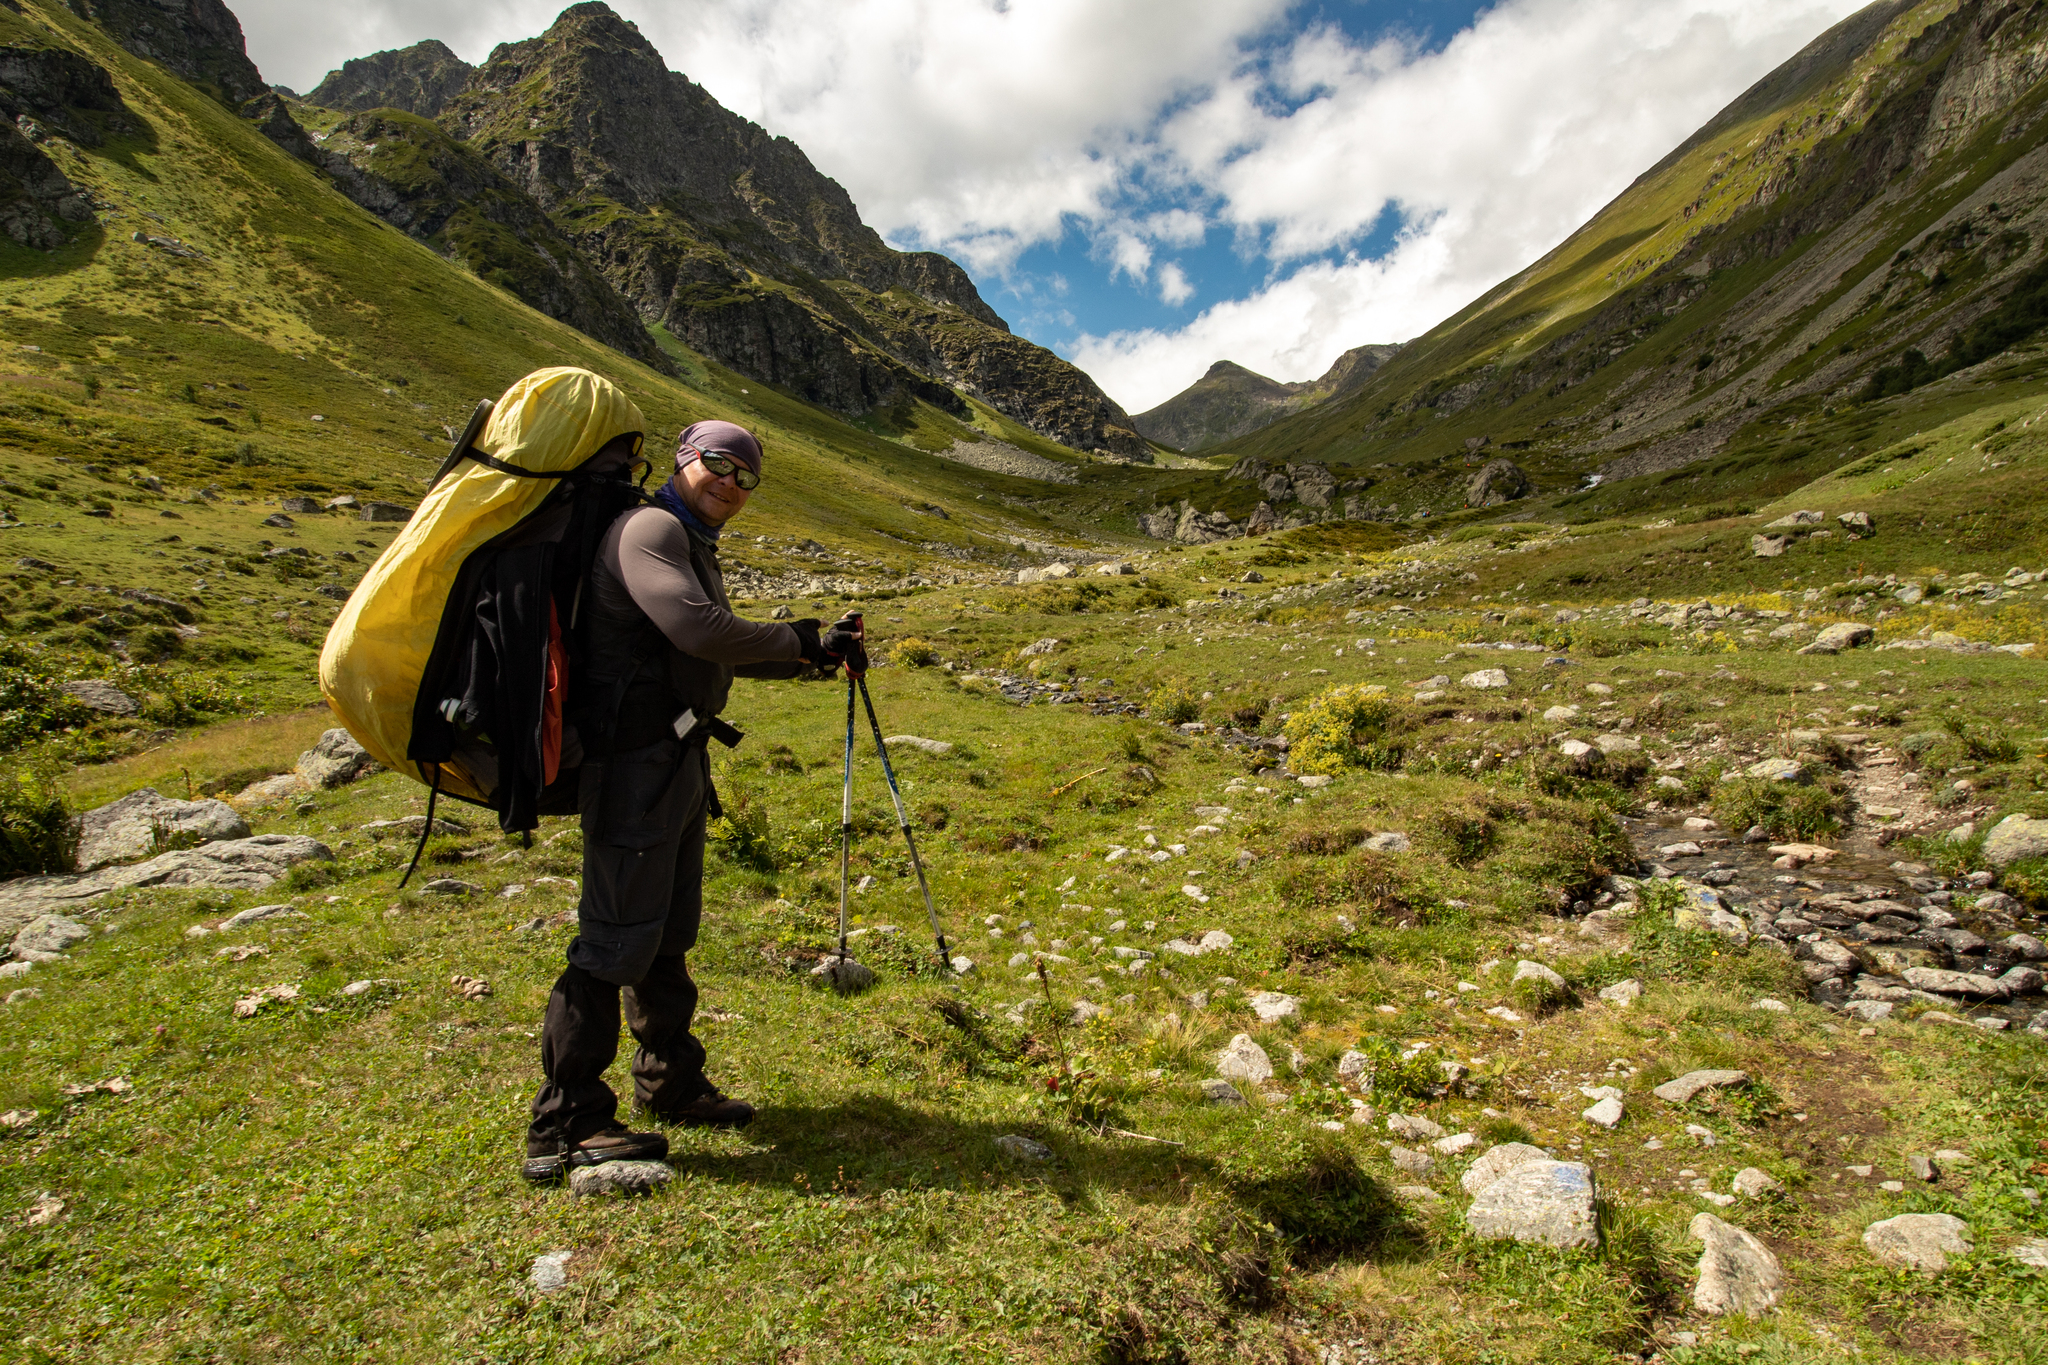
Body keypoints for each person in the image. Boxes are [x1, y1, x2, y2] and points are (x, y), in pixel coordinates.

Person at [523, 419, 863, 1182]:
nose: (732, 484)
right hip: (632, 768)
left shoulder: (690, 541)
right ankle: (565, 1120)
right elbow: (697, 627)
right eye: (719, 464)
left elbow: (701, 651)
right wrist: (801, 640)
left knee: (666, 934)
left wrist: (817, 656)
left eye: (747, 477)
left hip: (674, 761)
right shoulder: (647, 529)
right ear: (684, 459)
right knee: (613, 941)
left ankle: (669, 1081)